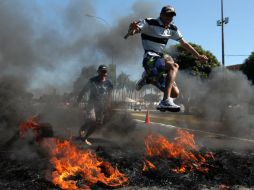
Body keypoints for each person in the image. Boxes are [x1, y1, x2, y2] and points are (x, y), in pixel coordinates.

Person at [126, 5, 208, 111]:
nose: (169, 18)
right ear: (161, 15)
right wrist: (131, 29)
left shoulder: (172, 28)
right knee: (174, 65)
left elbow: (184, 43)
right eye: (167, 15)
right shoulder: (150, 22)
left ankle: (149, 79)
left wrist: (198, 55)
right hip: (149, 57)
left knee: (175, 94)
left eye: (172, 16)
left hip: (160, 57)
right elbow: (132, 32)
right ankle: (165, 101)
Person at [77, 65, 113, 145]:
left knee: (98, 123)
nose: (104, 73)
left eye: (105, 71)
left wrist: (109, 103)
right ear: (98, 72)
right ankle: (83, 129)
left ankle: (85, 138)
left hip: (101, 105)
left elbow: (110, 94)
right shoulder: (92, 81)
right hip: (92, 103)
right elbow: (84, 90)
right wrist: (78, 101)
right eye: (102, 71)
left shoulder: (109, 83)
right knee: (92, 119)